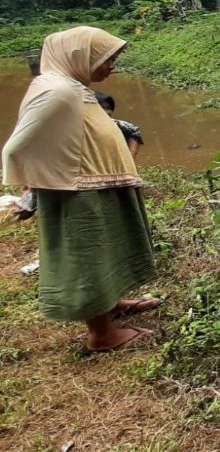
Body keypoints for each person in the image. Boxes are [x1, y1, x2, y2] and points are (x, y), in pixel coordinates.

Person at [2, 27, 160, 354]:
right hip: (79, 192)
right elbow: (17, 146)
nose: (112, 65)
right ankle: (101, 335)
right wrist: (36, 181)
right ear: (79, 57)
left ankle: (112, 304)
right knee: (90, 256)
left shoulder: (72, 87)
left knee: (106, 250)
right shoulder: (57, 91)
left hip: (96, 184)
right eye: (105, 59)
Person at [94, 92, 145, 157]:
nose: (107, 111)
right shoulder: (82, 125)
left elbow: (134, 130)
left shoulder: (113, 124)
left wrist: (130, 155)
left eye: (108, 107)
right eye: (103, 107)